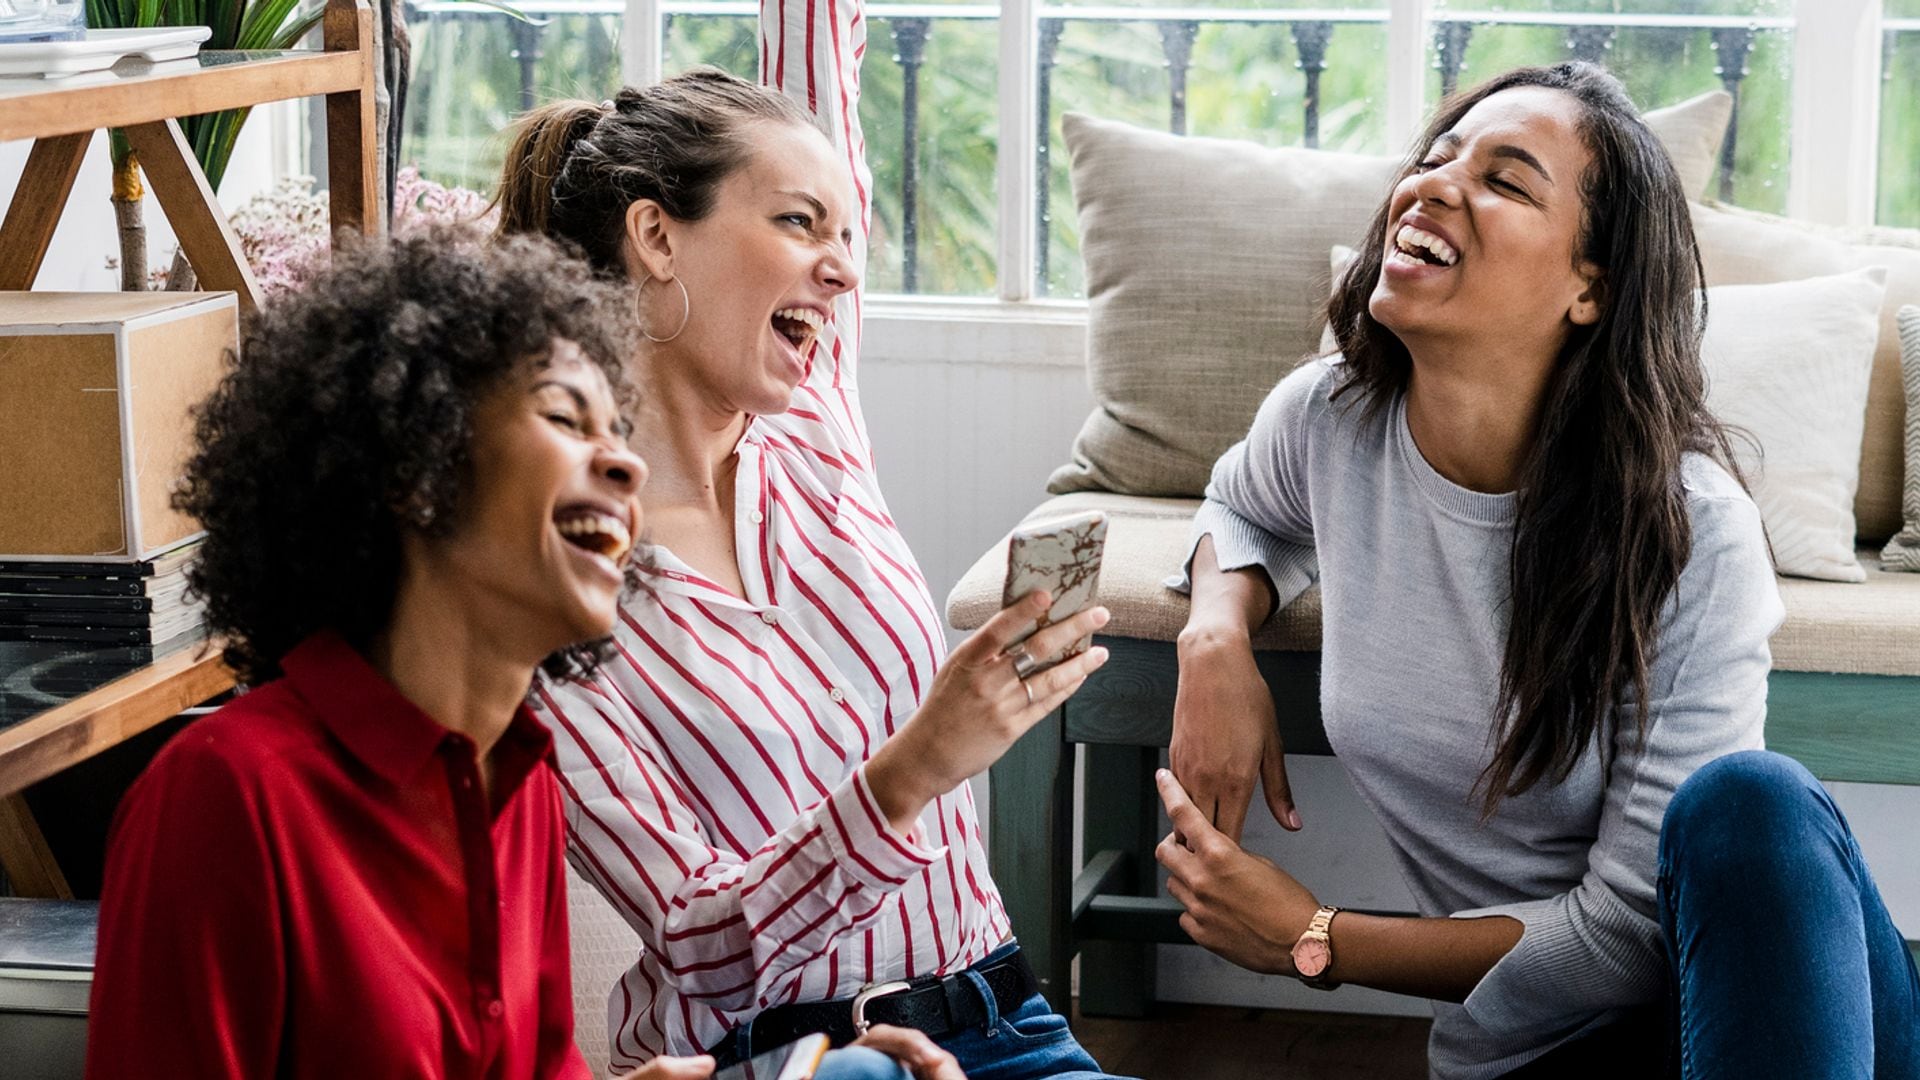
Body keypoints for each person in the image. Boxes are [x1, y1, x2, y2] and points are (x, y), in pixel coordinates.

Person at [1160, 63, 1920, 1079]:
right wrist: (1214, 636)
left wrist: (1316, 937)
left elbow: (1625, 933)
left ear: (1589, 288)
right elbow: (1242, 508)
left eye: (1504, 181)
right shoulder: (1329, 417)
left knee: (1751, 806)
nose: (1433, 186)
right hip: (1528, 1055)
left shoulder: (1694, 533)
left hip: (1734, 1015)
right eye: (1435, 160)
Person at [82, 232, 958, 1080]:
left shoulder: (520, 783)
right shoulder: (228, 793)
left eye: (618, 432)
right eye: (565, 420)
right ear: (419, 471)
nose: (625, 467)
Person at [492, 2, 1127, 1077]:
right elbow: (698, 943)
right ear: (656, 236)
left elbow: (820, 49)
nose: (839, 267)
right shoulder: (553, 584)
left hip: (1004, 1016)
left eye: (847, 232)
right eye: (799, 225)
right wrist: (914, 769)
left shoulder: (813, 421)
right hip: (792, 1057)